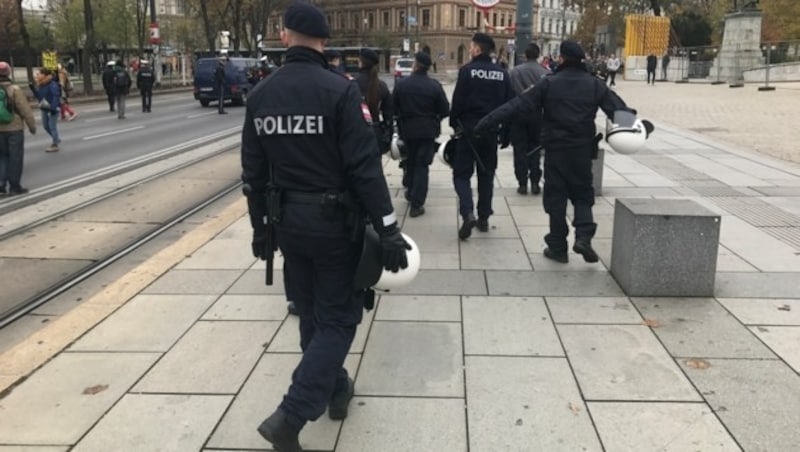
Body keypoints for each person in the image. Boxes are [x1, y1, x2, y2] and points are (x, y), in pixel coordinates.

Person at [241, 3, 409, 451]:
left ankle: (335, 387)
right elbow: (363, 168)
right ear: (324, 42)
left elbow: (253, 175)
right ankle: (291, 416)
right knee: (338, 319)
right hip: (336, 226)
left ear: (284, 37)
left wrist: (260, 229)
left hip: (287, 226)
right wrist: (388, 227)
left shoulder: (261, 96)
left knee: (311, 311)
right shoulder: (339, 90)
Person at [474, 40, 635, 264]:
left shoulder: (549, 83)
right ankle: (584, 237)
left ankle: (558, 246)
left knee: (556, 197)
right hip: (581, 150)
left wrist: (486, 122)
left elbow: (518, 105)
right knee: (582, 194)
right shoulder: (595, 84)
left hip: (556, 151)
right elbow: (618, 109)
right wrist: (635, 126)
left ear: (561, 58)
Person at [449, 32, 513, 240]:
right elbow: (509, 104)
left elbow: (457, 103)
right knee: (486, 174)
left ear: (478, 49)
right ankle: (484, 217)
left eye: (471, 46)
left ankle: (468, 213)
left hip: (468, 131)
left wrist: (454, 124)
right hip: (491, 131)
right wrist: (505, 132)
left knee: (461, 174)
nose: (470, 49)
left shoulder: (467, 71)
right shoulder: (502, 73)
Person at [392, 51, 450, 218]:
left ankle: (410, 190)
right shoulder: (434, 86)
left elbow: (393, 106)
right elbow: (445, 110)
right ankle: (417, 205)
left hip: (407, 130)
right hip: (427, 131)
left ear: (415, 65)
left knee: (409, 161)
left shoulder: (402, 84)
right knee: (422, 166)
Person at [508, 43, 549, 195]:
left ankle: (522, 183)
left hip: (518, 114)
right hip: (537, 116)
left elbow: (509, 94)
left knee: (519, 150)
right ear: (538, 55)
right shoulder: (545, 72)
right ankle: (535, 181)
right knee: (535, 149)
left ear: (525, 55)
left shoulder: (515, 72)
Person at [0, 61, 37, 195]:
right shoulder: (14, 90)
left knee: (2, 157)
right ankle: (15, 187)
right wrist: (32, 126)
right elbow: (25, 109)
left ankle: (1, 184)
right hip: (14, 128)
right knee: (15, 157)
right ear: (8, 73)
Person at [353, 48, 393, 155]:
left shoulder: (351, 83)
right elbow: (388, 114)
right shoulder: (381, 85)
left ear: (361, 62)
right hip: (375, 133)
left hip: (354, 133)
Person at [30, 67, 61, 152]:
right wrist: (33, 89)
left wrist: (53, 108)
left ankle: (55, 144)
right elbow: (39, 96)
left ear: (44, 75)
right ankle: (56, 139)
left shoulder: (52, 84)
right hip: (45, 106)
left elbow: (55, 96)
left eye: (38, 74)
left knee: (52, 126)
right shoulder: (41, 84)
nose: (37, 76)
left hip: (53, 108)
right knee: (46, 126)